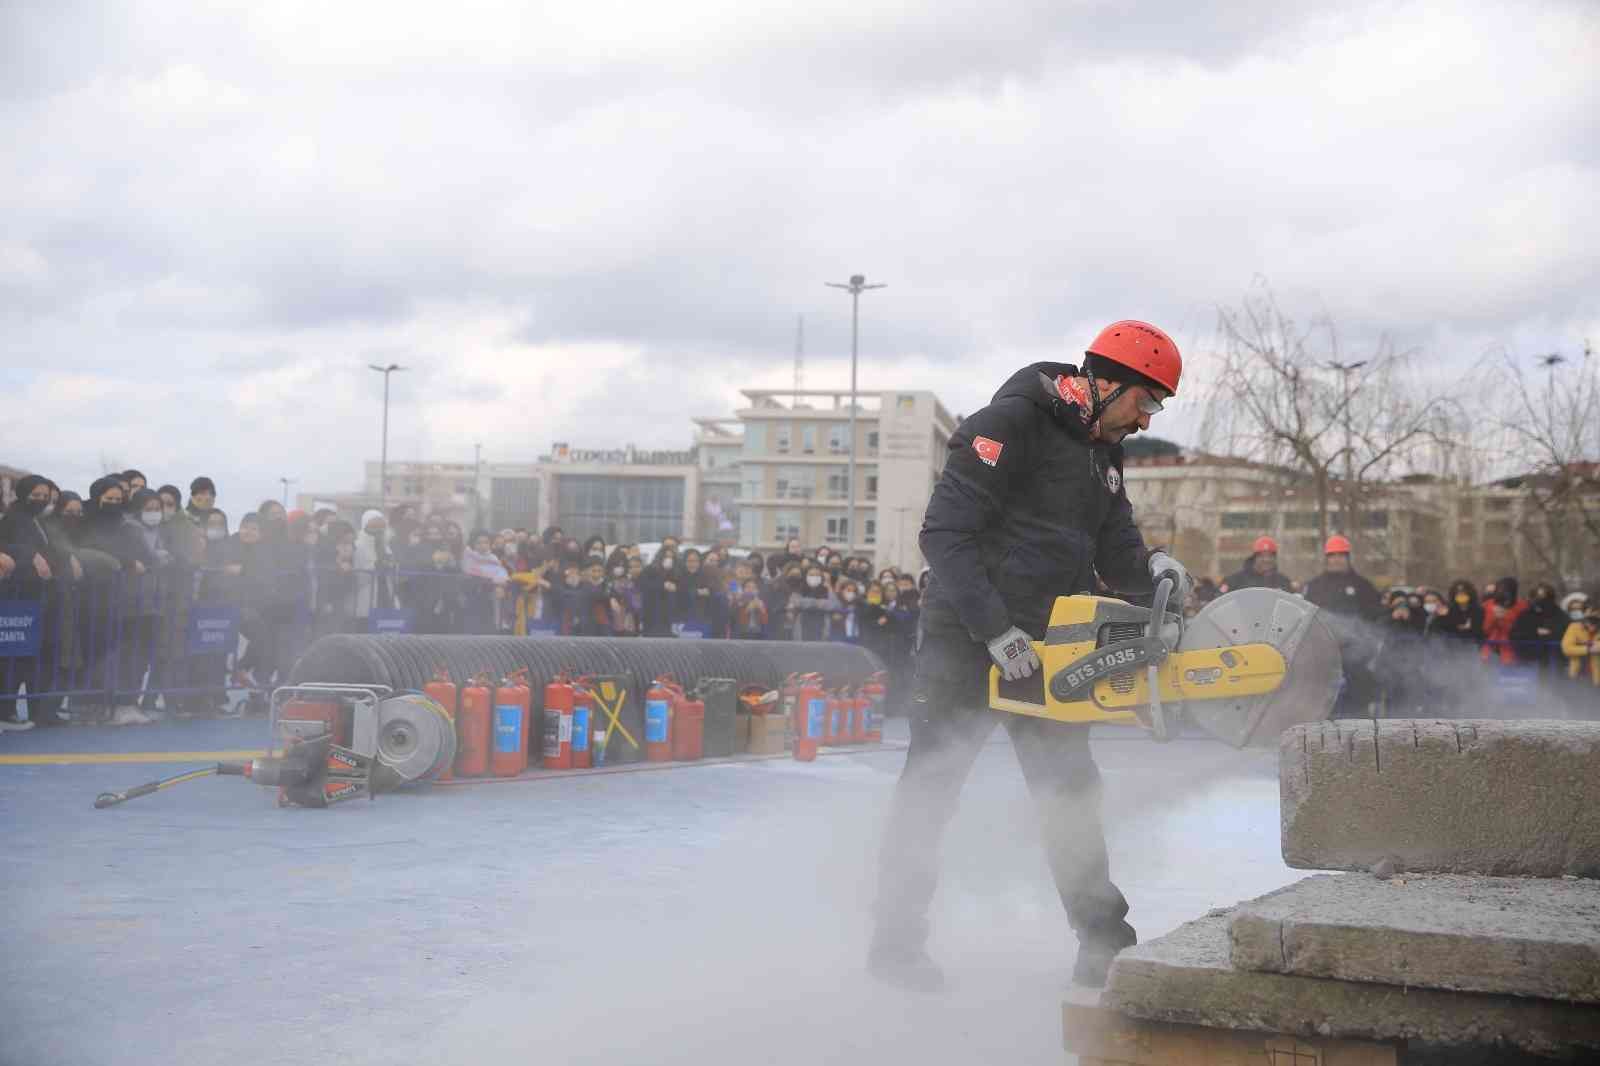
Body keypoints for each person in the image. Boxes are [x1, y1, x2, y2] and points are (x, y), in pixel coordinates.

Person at [872, 320, 1189, 992]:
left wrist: (1154, 568)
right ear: (1105, 382)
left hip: (1049, 648)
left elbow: (1114, 545)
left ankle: (1103, 940)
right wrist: (994, 630)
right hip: (967, 638)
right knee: (930, 789)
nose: (1145, 418)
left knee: (1070, 790)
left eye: (1156, 407)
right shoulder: (1011, 422)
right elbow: (944, 536)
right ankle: (895, 947)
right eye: (1146, 400)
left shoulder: (1103, 452)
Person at [1510, 583, 1564, 673]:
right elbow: (1514, 634)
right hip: (1528, 660)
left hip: (1554, 663)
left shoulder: (1560, 615)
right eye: (1536, 596)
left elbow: (1565, 634)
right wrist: (1534, 632)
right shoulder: (1525, 615)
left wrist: (1551, 633)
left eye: (1543, 597)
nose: (1539, 600)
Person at [1219, 536, 1294, 593]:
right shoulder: (1235, 580)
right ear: (1254, 557)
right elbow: (1220, 602)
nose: (1266, 560)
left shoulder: (1283, 582)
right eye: (1262, 556)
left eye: (1270, 556)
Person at [1481, 577, 1528, 666]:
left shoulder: (1522, 606)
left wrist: (1505, 617)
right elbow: (1485, 629)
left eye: (1506, 590)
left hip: (1511, 648)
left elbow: (1522, 628)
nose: (1503, 593)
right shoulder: (1488, 605)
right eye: (1500, 589)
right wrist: (1494, 617)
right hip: (1490, 648)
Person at [785, 563, 840, 640]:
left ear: (821, 577)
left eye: (817, 575)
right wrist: (820, 604)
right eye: (811, 575)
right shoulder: (799, 589)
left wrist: (806, 603)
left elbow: (835, 605)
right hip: (802, 629)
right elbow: (795, 602)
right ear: (806, 576)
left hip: (822, 629)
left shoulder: (827, 590)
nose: (814, 577)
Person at [1559, 596, 1599, 690]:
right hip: (1577, 675)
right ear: (1584, 613)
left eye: (1596, 613)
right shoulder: (1574, 627)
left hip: (1597, 679)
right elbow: (1566, 648)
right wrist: (1589, 649)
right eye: (1589, 612)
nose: (1593, 615)